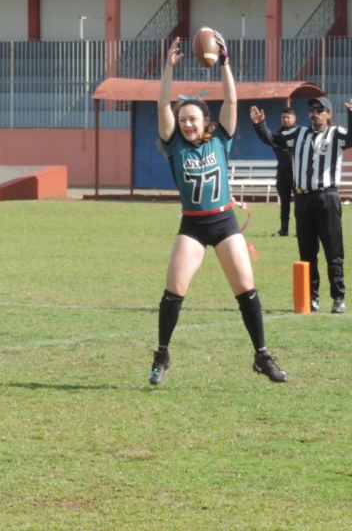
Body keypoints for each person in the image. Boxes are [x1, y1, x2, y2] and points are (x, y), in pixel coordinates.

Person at [150, 34, 288, 385]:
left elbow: (231, 98)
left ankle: (262, 356)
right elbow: (163, 105)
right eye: (183, 120)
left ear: (205, 120)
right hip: (193, 226)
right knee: (174, 290)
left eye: (193, 119)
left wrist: (225, 64)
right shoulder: (174, 145)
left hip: (225, 222)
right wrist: (168, 67)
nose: (187, 124)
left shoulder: (220, 138)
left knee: (246, 287)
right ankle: (162, 354)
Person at [250, 95, 351, 313]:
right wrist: (259, 124)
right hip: (303, 198)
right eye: (312, 110)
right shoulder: (298, 134)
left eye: (320, 110)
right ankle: (311, 297)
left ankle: (338, 297)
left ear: (329, 114)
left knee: (333, 250)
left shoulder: (337, 134)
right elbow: (273, 139)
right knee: (307, 250)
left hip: (327, 197)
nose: (315, 113)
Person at [267, 107, 298, 237]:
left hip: (297, 173)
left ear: (294, 118)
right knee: (284, 203)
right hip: (282, 173)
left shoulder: (301, 133)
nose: (285, 120)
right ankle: (283, 230)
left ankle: (300, 229)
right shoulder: (277, 136)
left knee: (300, 203)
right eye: (283, 118)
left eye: (288, 117)